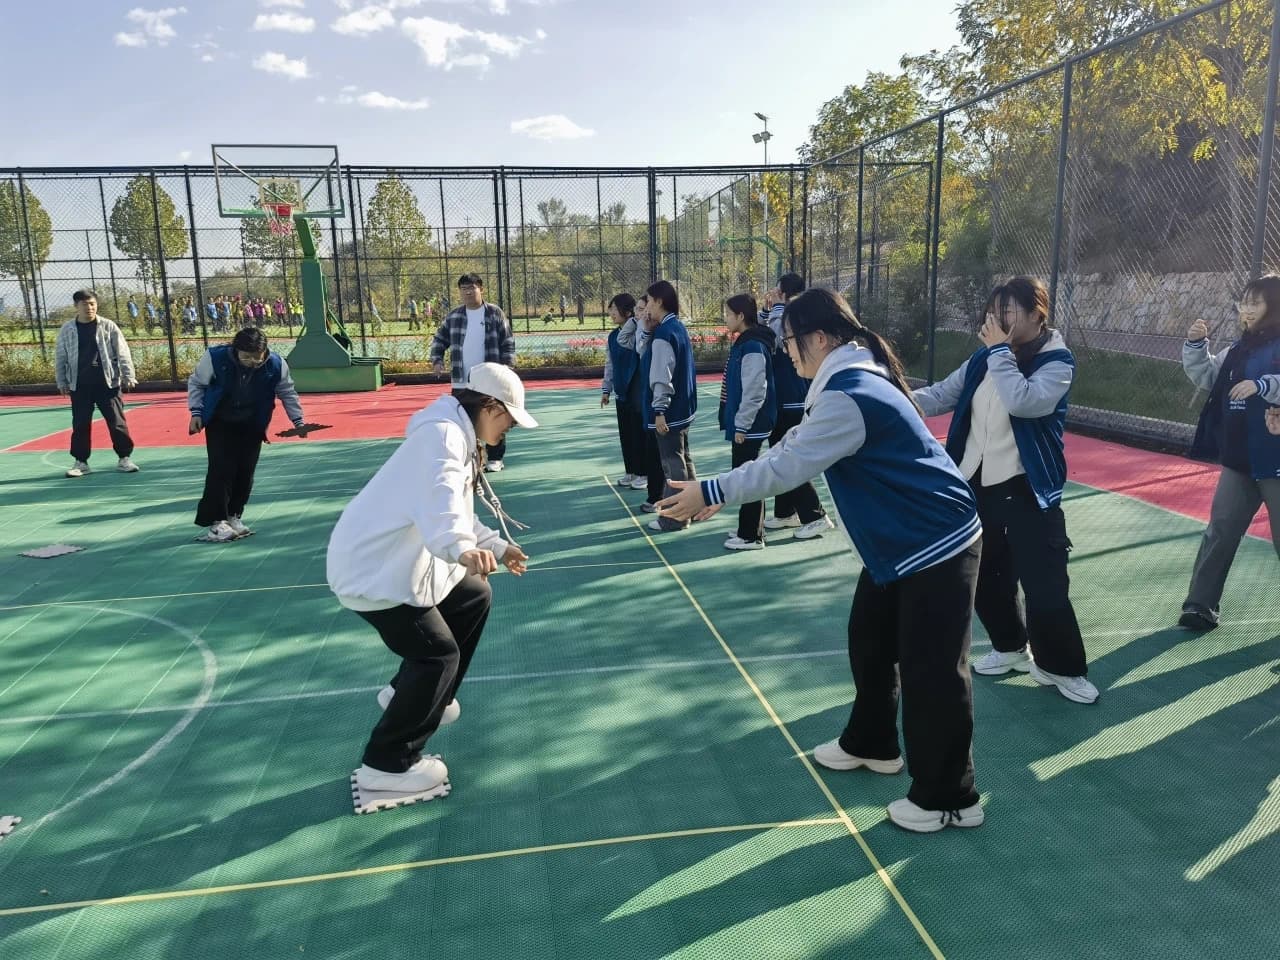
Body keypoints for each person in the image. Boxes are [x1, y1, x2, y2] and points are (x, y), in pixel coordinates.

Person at [659, 288, 984, 833]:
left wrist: (711, 489)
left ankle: (950, 797)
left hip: (937, 542)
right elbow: (792, 448)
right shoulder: (846, 379)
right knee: (870, 641)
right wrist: (719, 489)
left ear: (819, 338)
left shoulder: (849, 392)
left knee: (933, 671)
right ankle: (872, 742)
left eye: (788, 340)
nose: (785, 351)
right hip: (899, 545)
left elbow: (787, 467)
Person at [327, 363, 537, 799]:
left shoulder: (455, 434)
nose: (510, 430)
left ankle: (413, 697)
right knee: (437, 657)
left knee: (473, 595)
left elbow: (455, 511)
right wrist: (462, 549)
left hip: (396, 563)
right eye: (510, 420)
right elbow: (443, 505)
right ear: (490, 406)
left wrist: (497, 546)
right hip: (375, 572)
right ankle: (387, 765)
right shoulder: (443, 438)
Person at [915, 277, 1097, 705]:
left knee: (1045, 585)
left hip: (1029, 490)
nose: (997, 319)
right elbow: (942, 393)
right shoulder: (984, 358)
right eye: (994, 310)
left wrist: (998, 352)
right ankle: (1011, 646)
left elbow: (1023, 401)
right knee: (985, 578)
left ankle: (1060, 667)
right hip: (976, 486)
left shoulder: (1057, 362)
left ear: (1037, 314)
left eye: (1009, 310)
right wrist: (893, 398)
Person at [1178, 274, 1280, 631]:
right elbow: (1209, 376)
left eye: (1256, 303)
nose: (1246, 309)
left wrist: (1264, 385)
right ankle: (1200, 606)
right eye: (1244, 302)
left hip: (1276, 462)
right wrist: (1195, 347)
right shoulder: (1238, 349)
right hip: (1240, 460)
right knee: (1220, 530)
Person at [187, 327, 307, 542]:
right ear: (236, 350)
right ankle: (217, 523)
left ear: (265, 351)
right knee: (221, 470)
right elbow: (197, 383)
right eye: (246, 356)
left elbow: (287, 391)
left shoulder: (276, 364)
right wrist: (196, 412)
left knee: (246, 472)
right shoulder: (215, 358)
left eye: (256, 357)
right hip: (220, 421)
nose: (252, 361)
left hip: (253, 423)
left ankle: (234, 516)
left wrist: (298, 420)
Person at [761, 273, 833, 540]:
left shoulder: (795, 317)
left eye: (777, 290)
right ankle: (786, 512)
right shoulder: (785, 314)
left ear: (784, 292)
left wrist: (778, 308)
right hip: (784, 396)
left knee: (789, 458)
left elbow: (776, 335)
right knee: (780, 453)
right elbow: (764, 332)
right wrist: (767, 310)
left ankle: (815, 515)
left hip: (792, 396)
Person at [430, 273, 518, 472]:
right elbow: (439, 339)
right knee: (464, 421)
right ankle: (470, 457)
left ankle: (495, 459)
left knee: (492, 419)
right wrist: (437, 360)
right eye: (464, 289)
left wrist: (507, 367)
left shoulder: (494, 313)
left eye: (472, 288)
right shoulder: (454, 316)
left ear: (481, 289)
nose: (468, 292)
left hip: (490, 380)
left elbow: (508, 341)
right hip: (461, 381)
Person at [54, 290, 140, 478]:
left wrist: (128, 375)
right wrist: (61, 380)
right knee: (80, 425)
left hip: (108, 384)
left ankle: (124, 458)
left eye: (92, 304)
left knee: (117, 423)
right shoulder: (68, 329)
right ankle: (81, 462)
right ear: (76, 306)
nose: (89, 308)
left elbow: (122, 352)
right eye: (85, 304)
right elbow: (60, 356)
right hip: (80, 386)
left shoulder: (108, 326)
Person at [718, 293, 776, 550]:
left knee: (748, 476)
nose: (726, 319)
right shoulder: (746, 342)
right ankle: (750, 527)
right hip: (746, 422)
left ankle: (751, 535)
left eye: (728, 314)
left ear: (741, 316)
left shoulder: (752, 346)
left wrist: (742, 424)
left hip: (751, 424)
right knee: (745, 473)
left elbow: (755, 390)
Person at [642, 280, 698, 532]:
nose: (646, 307)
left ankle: (675, 517)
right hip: (683, 407)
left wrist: (659, 410)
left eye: (649, 301)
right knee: (683, 458)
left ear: (659, 301)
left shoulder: (664, 334)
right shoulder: (677, 327)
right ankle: (695, 507)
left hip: (670, 410)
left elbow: (661, 376)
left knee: (672, 464)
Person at [601, 293, 646, 488]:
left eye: (614, 309)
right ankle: (631, 471)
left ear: (628, 312)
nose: (611, 313)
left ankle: (643, 474)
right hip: (621, 391)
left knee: (638, 434)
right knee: (625, 434)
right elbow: (609, 364)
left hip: (636, 390)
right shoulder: (612, 337)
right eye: (610, 309)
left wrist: (635, 321)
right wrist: (606, 389)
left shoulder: (638, 333)